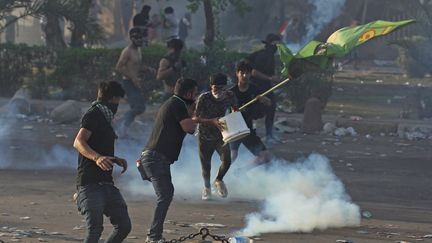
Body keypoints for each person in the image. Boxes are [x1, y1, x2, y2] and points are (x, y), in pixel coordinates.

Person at [137, 78, 200, 243]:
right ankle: (153, 237)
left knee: (165, 194)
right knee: (165, 195)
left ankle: (154, 235)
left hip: (154, 158)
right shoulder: (177, 104)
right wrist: (199, 114)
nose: (195, 96)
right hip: (156, 159)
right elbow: (190, 128)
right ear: (188, 93)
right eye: (194, 93)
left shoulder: (173, 103)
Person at [73, 81, 131, 243]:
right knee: (95, 230)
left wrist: (114, 159)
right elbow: (78, 142)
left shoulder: (104, 117)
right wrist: (97, 158)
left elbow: (97, 144)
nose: (118, 105)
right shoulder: (94, 114)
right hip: (89, 184)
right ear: (113, 98)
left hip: (106, 183)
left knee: (124, 226)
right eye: (118, 100)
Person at [193, 73, 237, 200]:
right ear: (211, 87)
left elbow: (235, 109)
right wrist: (211, 121)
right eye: (215, 88)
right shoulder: (204, 98)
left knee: (226, 160)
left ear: (226, 87)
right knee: (206, 165)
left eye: (221, 88)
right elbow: (195, 118)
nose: (218, 91)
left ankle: (219, 180)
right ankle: (206, 188)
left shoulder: (230, 96)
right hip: (204, 135)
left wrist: (234, 114)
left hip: (221, 135)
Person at [230, 61, 272, 169]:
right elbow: (223, 112)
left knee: (265, 156)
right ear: (237, 73)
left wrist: (263, 99)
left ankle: (240, 172)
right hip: (234, 127)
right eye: (242, 72)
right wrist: (234, 110)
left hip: (248, 127)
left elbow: (269, 103)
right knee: (232, 156)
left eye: (247, 73)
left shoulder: (255, 89)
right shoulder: (231, 92)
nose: (245, 75)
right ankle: (217, 178)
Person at [115, 27, 155, 137]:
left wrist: (147, 69)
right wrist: (132, 77)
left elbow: (136, 66)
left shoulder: (138, 50)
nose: (141, 41)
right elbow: (118, 67)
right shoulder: (127, 51)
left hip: (135, 83)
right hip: (128, 83)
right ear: (132, 38)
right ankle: (120, 126)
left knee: (137, 108)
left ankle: (122, 129)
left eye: (142, 38)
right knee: (139, 107)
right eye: (139, 38)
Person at [246, 33, 282, 144]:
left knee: (271, 108)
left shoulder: (270, 56)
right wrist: (270, 78)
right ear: (271, 44)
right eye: (276, 44)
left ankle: (269, 135)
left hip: (266, 87)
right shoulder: (263, 55)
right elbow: (253, 72)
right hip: (256, 87)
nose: (277, 47)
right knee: (251, 111)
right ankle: (249, 135)